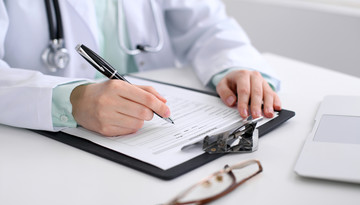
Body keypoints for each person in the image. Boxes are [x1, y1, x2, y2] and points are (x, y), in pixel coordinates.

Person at [0, 0, 281, 137]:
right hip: (43, 144)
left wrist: (232, 64)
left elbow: (207, 25)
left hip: (146, 137)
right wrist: (70, 99)